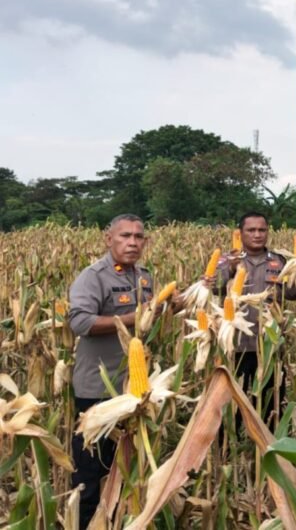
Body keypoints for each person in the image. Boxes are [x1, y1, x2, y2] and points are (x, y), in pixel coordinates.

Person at [68, 214, 163, 527]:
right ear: (108, 239)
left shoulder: (145, 277)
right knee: (92, 472)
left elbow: (151, 318)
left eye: (138, 237)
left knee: (123, 467)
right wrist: (135, 316)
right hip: (97, 389)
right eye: (125, 236)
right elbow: (80, 322)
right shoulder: (92, 277)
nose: (132, 243)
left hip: (132, 389)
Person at [207, 211, 296, 429]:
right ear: (240, 233)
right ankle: (231, 449)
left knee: (270, 402)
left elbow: (293, 295)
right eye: (251, 230)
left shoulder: (279, 261)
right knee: (231, 404)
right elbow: (210, 289)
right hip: (234, 346)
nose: (257, 235)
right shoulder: (225, 261)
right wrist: (231, 271)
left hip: (269, 345)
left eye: (262, 230)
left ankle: (268, 448)